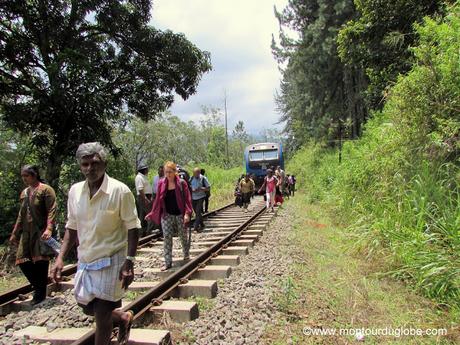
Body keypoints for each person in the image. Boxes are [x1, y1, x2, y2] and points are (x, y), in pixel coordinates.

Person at [51, 142, 140, 345]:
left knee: (101, 316)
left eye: (95, 163)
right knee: (88, 306)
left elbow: (133, 227)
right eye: (85, 164)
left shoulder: (120, 191)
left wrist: (129, 261)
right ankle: (123, 317)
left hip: (112, 259)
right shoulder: (74, 191)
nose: (90, 168)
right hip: (87, 258)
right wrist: (60, 257)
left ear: (104, 163)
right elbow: (71, 227)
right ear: (80, 166)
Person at [9, 165, 57, 305]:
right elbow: (21, 214)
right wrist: (15, 233)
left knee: (41, 261)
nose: (24, 179)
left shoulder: (46, 190)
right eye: (23, 176)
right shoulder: (24, 193)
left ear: (34, 175)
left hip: (40, 231)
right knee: (22, 260)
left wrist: (49, 228)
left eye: (26, 176)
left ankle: (40, 293)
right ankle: (38, 287)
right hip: (26, 232)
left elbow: (52, 209)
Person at [146, 161, 193, 271]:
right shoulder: (161, 183)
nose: (168, 174)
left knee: (183, 235)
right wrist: (152, 213)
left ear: (175, 172)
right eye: (166, 172)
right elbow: (158, 200)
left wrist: (187, 213)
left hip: (180, 214)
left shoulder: (182, 183)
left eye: (170, 172)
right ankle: (168, 262)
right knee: (167, 237)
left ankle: (186, 253)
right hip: (166, 214)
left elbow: (187, 199)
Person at [189, 167, 210, 232]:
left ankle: (195, 227)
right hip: (193, 197)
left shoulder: (203, 178)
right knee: (196, 212)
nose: (196, 175)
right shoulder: (191, 178)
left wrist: (201, 188)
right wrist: (192, 189)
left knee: (198, 212)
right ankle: (202, 224)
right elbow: (188, 186)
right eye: (195, 174)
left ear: (199, 173)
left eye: (197, 173)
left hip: (201, 197)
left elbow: (208, 188)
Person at [135, 164, 153, 236]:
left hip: (145, 196)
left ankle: (143, 232)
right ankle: (148, 231)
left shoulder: (143, 177)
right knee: (149, 214)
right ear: (144, 170)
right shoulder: (139, 177)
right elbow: (140, 189)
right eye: (146, 169)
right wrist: (145, 198)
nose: (147, 170)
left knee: (143, 215)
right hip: (143, 197)